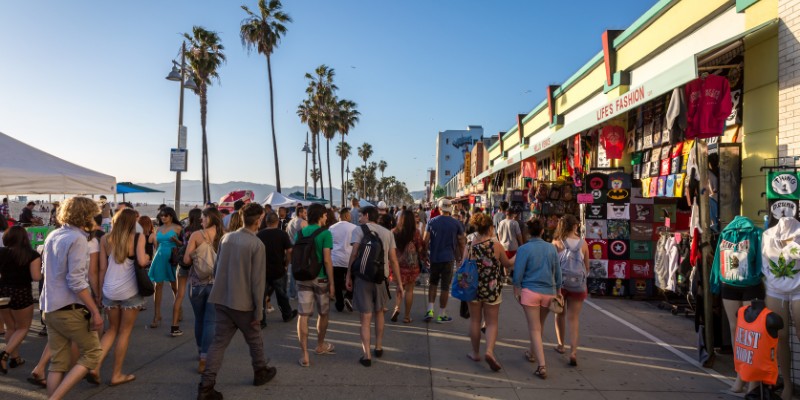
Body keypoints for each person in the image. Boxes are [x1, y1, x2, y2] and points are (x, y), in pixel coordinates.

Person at [198, 203, 276, 400]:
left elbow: (216, 269)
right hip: (243, 304)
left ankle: (206, 386)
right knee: (254, 338)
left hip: (222, 299)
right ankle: (260, 371)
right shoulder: (256, 245)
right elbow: (258, 282)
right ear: (258, 220)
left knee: (218, 343)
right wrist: (259, 312)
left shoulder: (226, 238)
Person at [40, 196, 104, 400]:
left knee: (58, 362)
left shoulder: (54, 235)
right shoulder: (78, 239)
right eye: (93, 214)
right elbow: (76, 281)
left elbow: (45, 271)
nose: (95, 217)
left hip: (50, 306)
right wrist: (94, 310)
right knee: (93, 353)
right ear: (85, 215)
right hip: (69, 308)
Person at [91, 208, 148, 386]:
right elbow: (141, 261)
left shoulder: (105, 239)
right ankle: (116, 374)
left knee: (112, 329)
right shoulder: (138, 237)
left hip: (109, 289)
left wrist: (99, 293)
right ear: (133, 223)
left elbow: (101, 268)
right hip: (129, 291)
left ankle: (95, 367)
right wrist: (146, 256)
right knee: (124, 332)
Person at [346, 206, 403, 367]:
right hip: (381, 279)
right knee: (379, 313)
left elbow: (354, 254)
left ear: (366, 215)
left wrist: (349, 275)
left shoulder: (358, 231)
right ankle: (378, 346)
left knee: (365, 317)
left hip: (363, 278)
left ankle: (367, 355)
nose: (359, 218)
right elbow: (393, 259)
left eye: (360, 215)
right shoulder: (387, 233)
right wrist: (399, 283)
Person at [462, 213, 514, 371]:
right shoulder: (496, 245)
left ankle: (475, 352)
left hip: (473, 288)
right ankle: (489, 351)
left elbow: (463, 264)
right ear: (490, 228)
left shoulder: (470, 243)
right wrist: (518, 256)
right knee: (491, 322)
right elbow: (506, 263)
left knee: (475, 321)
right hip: (492, 288)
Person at [513, 219, 561, 380]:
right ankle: (532, 353)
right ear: (542, 231)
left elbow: (518, 273)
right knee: (539, 326)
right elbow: (558, 272)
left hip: (530, 291)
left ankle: (542, 365)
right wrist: (558, 291)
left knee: (534, 328)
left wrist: (516, 288)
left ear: (528, 232)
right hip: (549, 292)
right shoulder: (551, 248)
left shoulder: (524, 249)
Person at [182, 207, 224, 374]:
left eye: (203, 217)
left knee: (199, 319)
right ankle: (205, 358)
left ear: (209, 218)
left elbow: (186, 260)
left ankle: (200, 352)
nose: (201, 220)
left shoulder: (196, 235)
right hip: (216, 283)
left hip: (197, 283)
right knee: (210, 322)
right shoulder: (224, 235)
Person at [294, 203, 335, 368]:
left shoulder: (300, 233)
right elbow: (327, 260)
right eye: (325, 215)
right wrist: (332, 283)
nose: (326, 217)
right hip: (321, 278)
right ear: (320, 216)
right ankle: (320, 345)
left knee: (303, 315)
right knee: (323, 313)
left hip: (303, 277)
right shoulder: (326, 233)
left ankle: (304, 355)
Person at [0, 226, 43, 374]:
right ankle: (4, 355)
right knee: (23, 328)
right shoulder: (31, 255)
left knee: (10, 327)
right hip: (21, 292)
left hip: (3, 292)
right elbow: (36, 277)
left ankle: (15, 358)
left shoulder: (1, 252)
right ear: (25, 238)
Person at [552, 215, 589, 367]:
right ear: (575, 226)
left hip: (560, 284)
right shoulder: (584, 244)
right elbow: (587, 267)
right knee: (573, 319)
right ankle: (573, 352)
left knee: (559, 314)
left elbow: (552, 266)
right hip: (578, 286)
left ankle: (561, 345)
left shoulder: (556, 242)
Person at [422, 198, 466, 323]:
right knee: (445, 287)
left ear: (440, 208)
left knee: (433, 283)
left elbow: (425, 241)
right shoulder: (456, 223)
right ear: (450, 209)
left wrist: (424, 255)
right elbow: (461, 242)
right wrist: (461, 258)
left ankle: (430, 309)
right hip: (448, 259)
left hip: (434, 258)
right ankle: (442, 314)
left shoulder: (432, 222)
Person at [256, 212, 297, 328]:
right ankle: (287, 314)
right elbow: (289, 251)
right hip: (279, 269)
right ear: (277, 221)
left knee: (261, 296)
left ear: (266, 221)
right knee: (282, 294)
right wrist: (286, 264)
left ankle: (261, 320)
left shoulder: (259, 235)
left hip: (263, 270)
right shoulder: (282, 234)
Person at [148, 207, 183, 334]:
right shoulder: (158, 229)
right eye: (161, 216)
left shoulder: (178, 228)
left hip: (172, 259)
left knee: (174, 286)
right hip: (159, 257)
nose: (163, 218)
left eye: (166, 216)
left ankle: (179, 309)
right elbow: (155, 246)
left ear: (171, 216)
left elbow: (183, 245)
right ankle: (156, 315)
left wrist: (176, 241)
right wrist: (153, 258)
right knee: (158, 286)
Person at [390, 210, 428, 324]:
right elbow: (420, 248)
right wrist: (423, 258)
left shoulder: (393, 232)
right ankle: (406, 316)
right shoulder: (415, 232)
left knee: (399, 287)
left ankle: (397, 307)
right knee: (409, 291)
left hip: (397, 265)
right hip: (411, 266)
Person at [172, 209, 202, 338]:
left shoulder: (186, 230)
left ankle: (174, 326)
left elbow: (183, 245)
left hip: (185, 262)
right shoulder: (203, 231)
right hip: (199, 264)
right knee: (201, 294)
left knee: (180, 294)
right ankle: (201, 323)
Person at [330, 208, 357, 312]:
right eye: (349, 215)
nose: (351, 217)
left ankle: (339, 303)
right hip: (349, 259)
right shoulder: (354, 227)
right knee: (354, 279)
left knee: (337, 282)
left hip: (336, 259)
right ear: (346, 216)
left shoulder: (331, 228)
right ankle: (348, 296)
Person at [285, 206, 308, 300]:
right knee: (301, 271)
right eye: (305, 213)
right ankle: (300, 293)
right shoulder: (303, 222)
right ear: (300, 213)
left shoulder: (291, 221)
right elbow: (307, 236)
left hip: (291, 247)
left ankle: (292, 293)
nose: (306, 215)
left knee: (293, 271)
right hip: (300, 248)